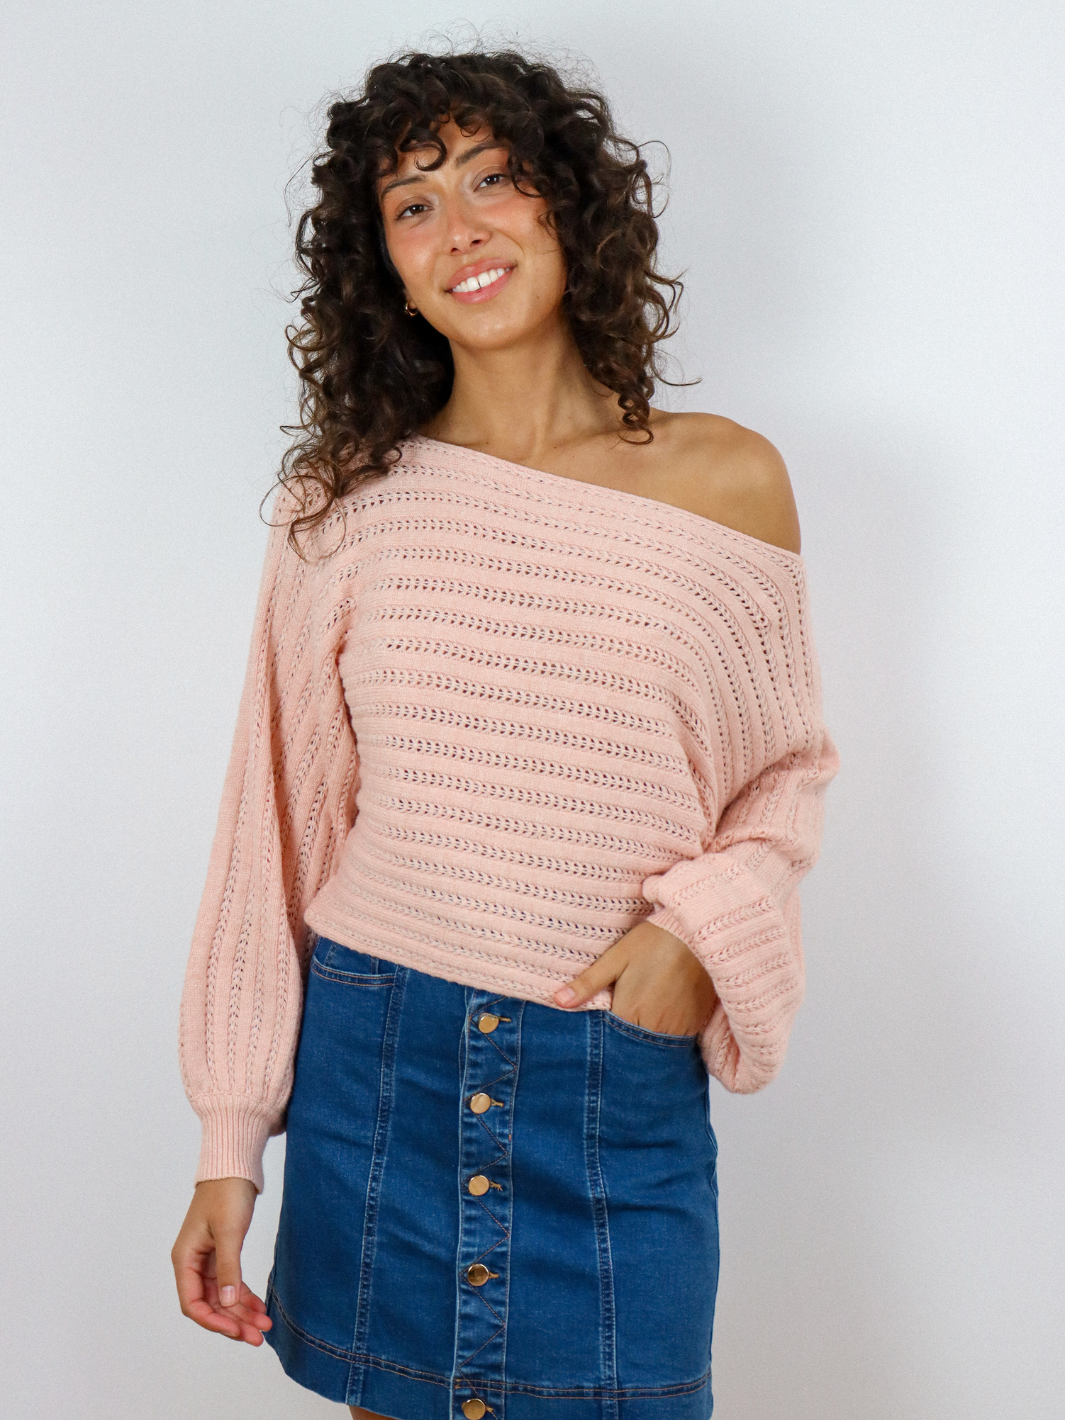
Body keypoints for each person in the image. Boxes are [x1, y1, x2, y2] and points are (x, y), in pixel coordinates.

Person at [171, 47, 840, 1420]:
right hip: (382, 1064)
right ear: (386, 269)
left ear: (568, 207)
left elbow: (784, 777)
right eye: (413, 206)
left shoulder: (728, 480)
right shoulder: (345, 504)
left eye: (493, 180)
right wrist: (230, 1142)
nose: (460, 228)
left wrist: (704, 928)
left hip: (611, 1082)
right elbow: (272, 828)